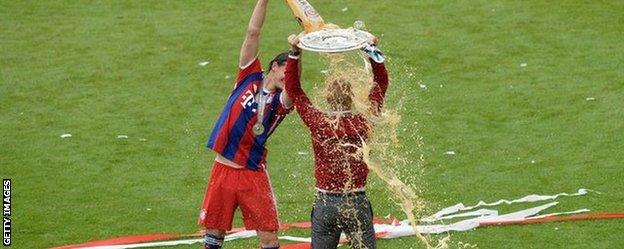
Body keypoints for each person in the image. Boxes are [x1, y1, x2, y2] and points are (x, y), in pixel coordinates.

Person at [199, 1, 293, 248]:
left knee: (269, 239)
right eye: (287, 70)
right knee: (212, 237)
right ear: (274, 67)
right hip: (223, 169)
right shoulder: (249, 75)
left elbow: (292, 88)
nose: (290, 77)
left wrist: (297, 50)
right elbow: (253, 31)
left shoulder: (284, 100)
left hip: (253, 173)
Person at [284, 34, 389, 249]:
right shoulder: (365, 120)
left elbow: (294, 90)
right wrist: (372, 51)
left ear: (328, 98)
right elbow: (381, 83)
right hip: (356, 202)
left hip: (326, 204)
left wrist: (295, 53)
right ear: (352, 96)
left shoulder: (319, 122)